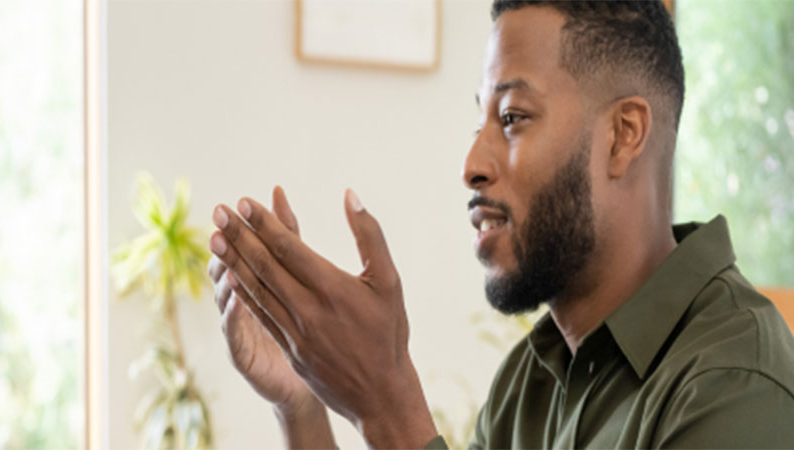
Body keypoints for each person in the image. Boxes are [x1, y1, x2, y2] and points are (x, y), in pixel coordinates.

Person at [207, 0, 794, 448]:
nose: (472, 165)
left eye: (512, 117)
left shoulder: (734, 383)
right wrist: (302, 405)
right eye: (481, 119)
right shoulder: (529, 381)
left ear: (623, 136)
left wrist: (388, 404)